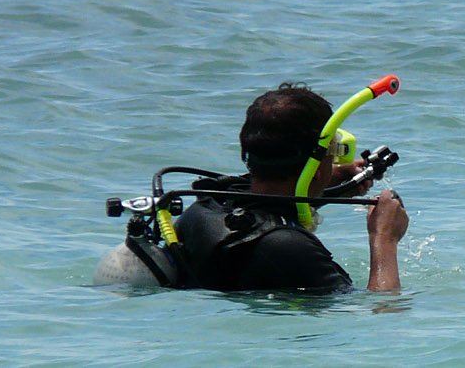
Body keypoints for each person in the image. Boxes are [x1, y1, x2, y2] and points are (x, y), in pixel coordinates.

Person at [173, 83, 408, 292]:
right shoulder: (290, 249)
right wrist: (384, 238)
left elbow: (270, 202)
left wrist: (328, 181)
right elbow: (382, 310)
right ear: (315, 168)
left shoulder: (207, 207)